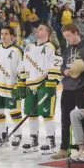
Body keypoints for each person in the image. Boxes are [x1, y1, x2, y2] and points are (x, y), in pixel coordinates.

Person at [51, 23, 84, 159]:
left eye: (69, 36)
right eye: (65, 37)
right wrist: (63, 71)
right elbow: (62, 66)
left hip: (82, 88)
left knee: (83, 119)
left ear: (76, 32)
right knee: (65, 120)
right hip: (68, 88)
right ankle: (64, 148)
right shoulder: (67, 50)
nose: (67, 39)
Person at [22, 23, 62, 154]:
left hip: (45, 84)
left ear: (48, 33)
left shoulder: (52, 46)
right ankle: (34, 139)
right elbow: (24, 65)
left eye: (40, 29)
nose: (37, 31)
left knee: (47, 113)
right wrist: (21, 81)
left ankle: (51, 141)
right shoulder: (28, 47)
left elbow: (57, 64)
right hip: (30, 84)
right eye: (37, 29)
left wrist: (52, 82)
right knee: (30, 113)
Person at [0, 26, 25, 148]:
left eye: (6, 34)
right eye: (2, 33)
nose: (3, 36)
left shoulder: (17, 50)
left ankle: (18, 135)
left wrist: (21, 84)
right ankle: (2, 135)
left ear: (12, 36)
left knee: (14, 112)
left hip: (11, 87)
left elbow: (22, 69)